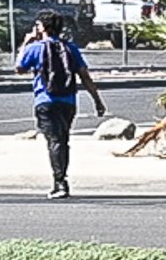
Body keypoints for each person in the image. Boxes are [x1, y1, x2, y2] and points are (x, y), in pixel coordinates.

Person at [18, 11, 104, 198]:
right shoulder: (70, 48)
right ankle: (61, 177)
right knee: (62, 140)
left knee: (55, 141)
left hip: (46, 101)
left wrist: (27, 42)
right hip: (68, 101)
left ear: (43, 27)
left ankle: (60, 183)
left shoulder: (36, 48)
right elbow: (84, 75)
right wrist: (97, 100)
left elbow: (19, 68)